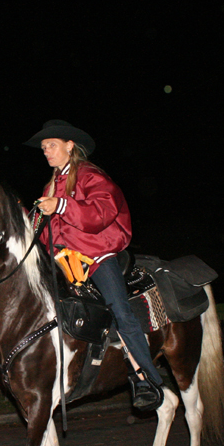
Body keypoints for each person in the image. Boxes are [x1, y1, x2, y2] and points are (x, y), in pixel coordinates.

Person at [24, 120, 164, 411]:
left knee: (120, 310)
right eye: (43, 148)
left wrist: (61, 206)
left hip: (96, 256)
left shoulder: (90, 175)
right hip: (63, 262)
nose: (46, 152)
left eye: (51, 145)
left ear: (69, 145)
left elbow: (101, 213)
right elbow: (45, 230)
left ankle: (146, 378)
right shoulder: (51, 185)